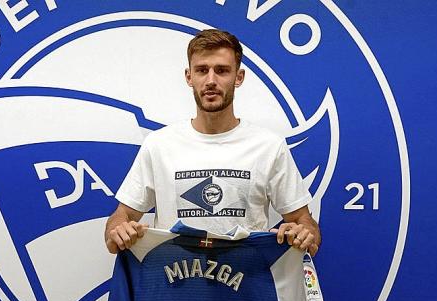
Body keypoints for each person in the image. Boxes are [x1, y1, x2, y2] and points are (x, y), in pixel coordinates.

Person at [105, 29, 321, 255]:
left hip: (246, 285)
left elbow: (304, 224)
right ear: (189, 77)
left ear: (239, 77)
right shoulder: (158, 145)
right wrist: (118, 229)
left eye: (221, 71)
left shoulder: (269, 146)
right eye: (201, 70)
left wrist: (304, 233)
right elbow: (121, 218)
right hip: (174, 285)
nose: (211, 80)